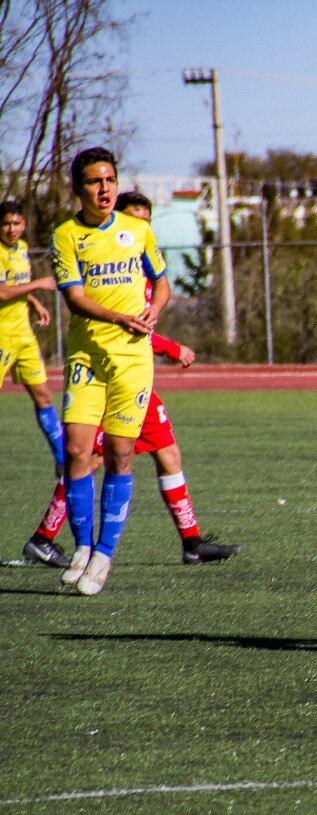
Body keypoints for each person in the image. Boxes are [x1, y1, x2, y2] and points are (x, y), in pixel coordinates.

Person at [24, 191, 241, 570]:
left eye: (145, 221)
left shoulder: (142, 268)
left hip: (137, 379)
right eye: (133, 219)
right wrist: (172, 348)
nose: (138, 228)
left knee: (168, 454)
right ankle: (45, 537)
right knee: (90, 458)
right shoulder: (103, 267)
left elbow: (144, 322)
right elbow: (123, 328)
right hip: (106, 375)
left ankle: (191, 542)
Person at [50, 148, 171, 596]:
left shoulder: (138, 230)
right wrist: (119, 318)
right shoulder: (65, 235)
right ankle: (82, 546)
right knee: (76, 451)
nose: (104, 189)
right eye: (94, 181)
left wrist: (153, 311)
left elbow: (162, 284)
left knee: (121, 454)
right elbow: (75, 298)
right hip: (87, 357)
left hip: (132, 360)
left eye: (110, 180)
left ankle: (103, 554)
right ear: (77, 188)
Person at [0, 200, 64, 476]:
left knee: (43, 395)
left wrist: (34, 302)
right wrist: (39, 284)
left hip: (23, 335)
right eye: (6, 224)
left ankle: (63, 458)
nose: (11, 229)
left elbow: (16, 286)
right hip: (2, 336)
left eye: (16, 223)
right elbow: (2, 292)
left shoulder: (22, 248)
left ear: (24, 224)